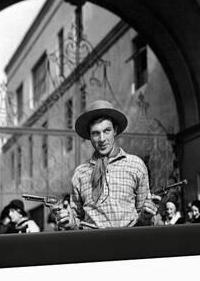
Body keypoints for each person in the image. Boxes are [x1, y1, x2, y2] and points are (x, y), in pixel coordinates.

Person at [53, 99, 159, 230]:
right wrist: (68, 221)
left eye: (106, 131)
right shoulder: (80, 173)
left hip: (129, 242)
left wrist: (147, 214)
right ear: (89, 137)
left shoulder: (135, 165)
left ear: (115, 130)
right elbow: (76, 219)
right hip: (92, 245)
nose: (102, 139)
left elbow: (144, 220)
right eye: (96, 133)